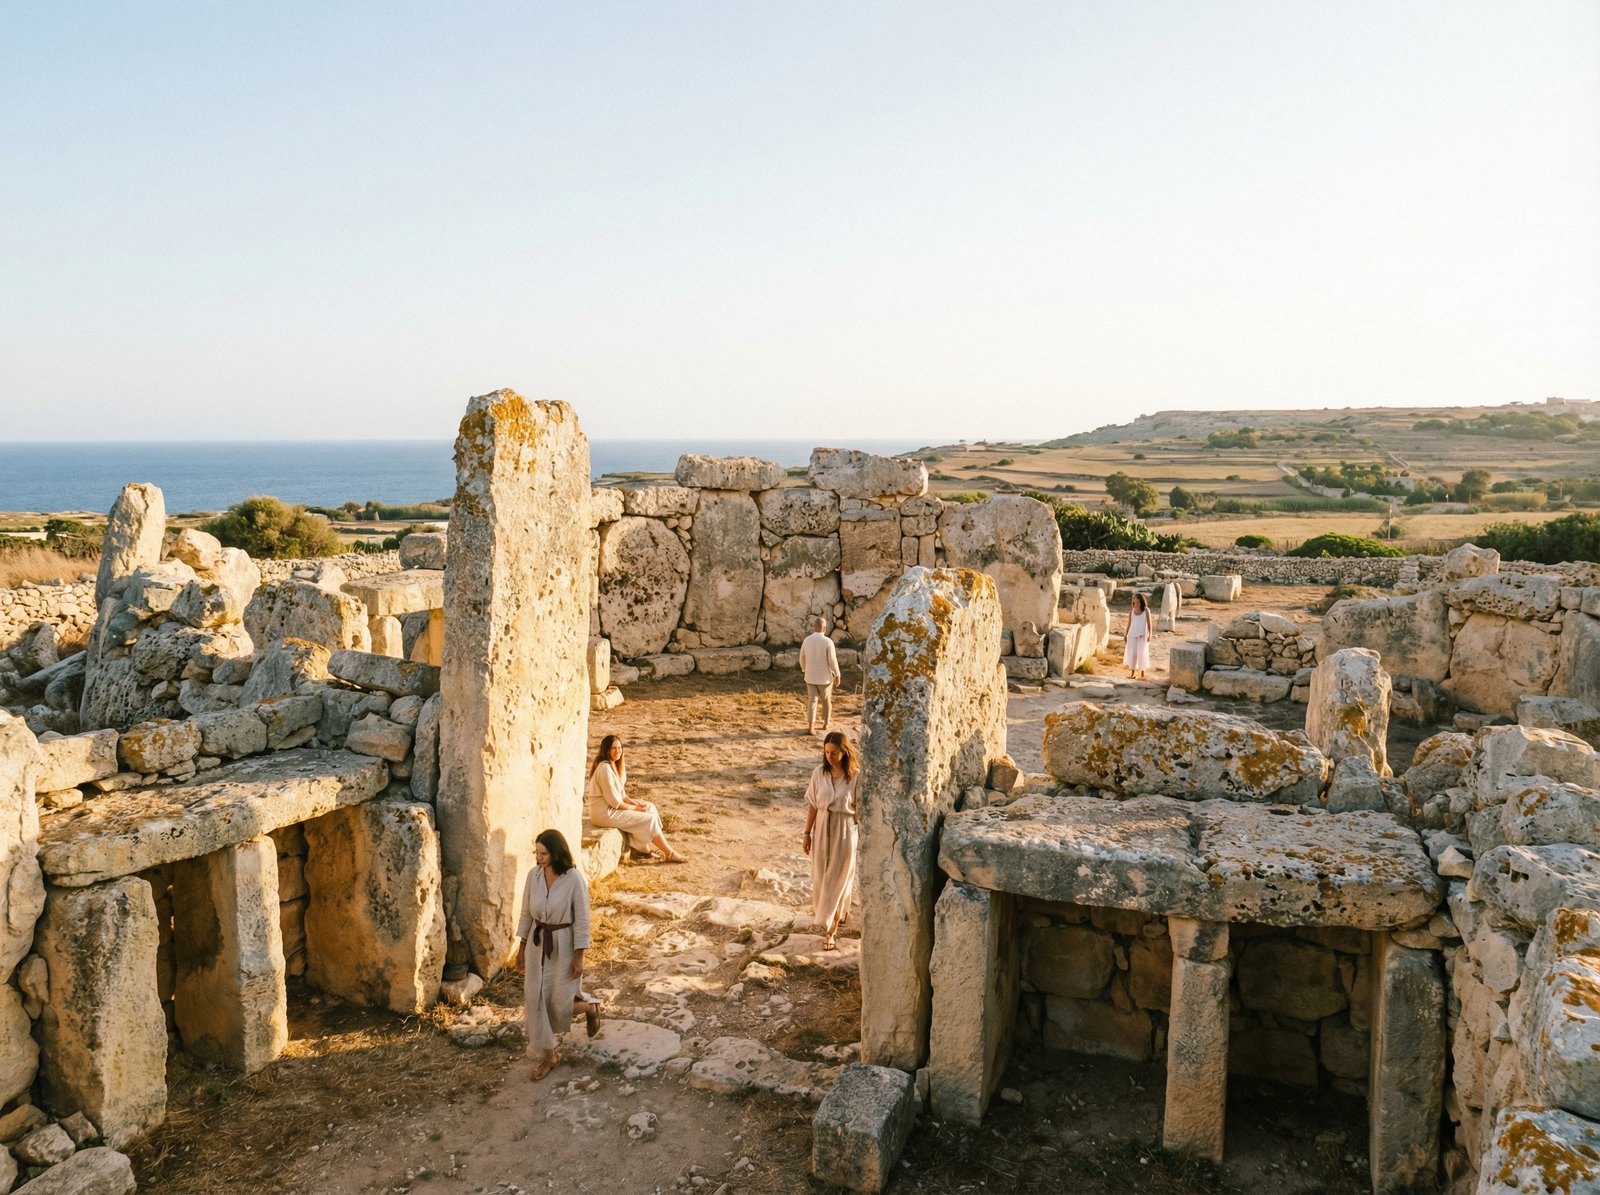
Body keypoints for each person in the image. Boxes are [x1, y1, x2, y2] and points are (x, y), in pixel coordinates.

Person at [515, 828, 599, 1081]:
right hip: (537, 943)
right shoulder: (534, 876)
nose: (539, 858)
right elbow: (526, 914)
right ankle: (550, 1056)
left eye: (544, 853)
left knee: (558, 1001)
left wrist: (579, 956)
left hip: (564, 944)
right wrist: (521, 948)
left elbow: (583, 920)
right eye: (536, 852)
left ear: (556, 852)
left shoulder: (573, 880)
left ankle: (590, 1008)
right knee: (535, 999)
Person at [586, 735, 686, 863]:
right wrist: (636, 808)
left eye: (620, 748)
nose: (618, 751)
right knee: (648, 818)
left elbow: (621, 794)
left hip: (612, 807)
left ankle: (641, 849)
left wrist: (632, 802)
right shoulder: (605, 768)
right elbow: (615, 802)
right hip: (604, 813)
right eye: (614, 748)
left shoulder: (614, 765)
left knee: (650, 807)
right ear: (606, 750)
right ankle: (669, 853)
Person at [801, 730, 860, 951]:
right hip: (821, 829)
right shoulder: (819, 773)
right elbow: (813, 805)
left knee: (838, 878)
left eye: (834, 753)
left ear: (844, 752)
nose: (829, 756)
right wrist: (807, 833)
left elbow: (860, 811)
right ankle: (839, 910)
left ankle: (831, 930)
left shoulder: (855, 776)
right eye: (826, 752)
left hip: (844, 830)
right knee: (821, 877)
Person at [798, 616, 842, 736]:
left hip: (810, 677)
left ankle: (811, 726)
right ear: (825, 628)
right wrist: (837, 674)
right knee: (826, 701)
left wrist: (805, 669)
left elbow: (801, 657)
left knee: (812, 701)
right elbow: (832, 661)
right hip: (825, 679)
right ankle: (826, 723)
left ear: (814, 627)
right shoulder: (828, 642)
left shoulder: (807, 640)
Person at [1124, 591, 1153, 681]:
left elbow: (1149, 624)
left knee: (1142, 653)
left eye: (1135, 597)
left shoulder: (1146, 610)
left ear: (1140, 599)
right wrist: (1125, 634)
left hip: (1142, 635)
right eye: (1133, 598)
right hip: (1132, 634)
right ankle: (1132, 673)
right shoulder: (1131, 611)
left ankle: (1142, 673)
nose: (1134, 599)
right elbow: (1129, 623)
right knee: (1133, 654)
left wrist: (1150, 634)